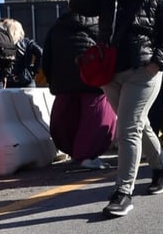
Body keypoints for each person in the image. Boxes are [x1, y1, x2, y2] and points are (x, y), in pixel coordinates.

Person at [69, 0, 163, 217]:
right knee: (139, 125)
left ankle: (123, 192)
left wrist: (157, 64)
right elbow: (78, 5)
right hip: (110, 71)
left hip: (144, 70)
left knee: (127, 128)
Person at [42, 10, 117, 170]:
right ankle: (86, 155)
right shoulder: (101, 26)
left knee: (66, 118)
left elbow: (46, 57)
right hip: (92, 79)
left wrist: (51, 79)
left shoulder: (57, 28)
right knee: (96, 119)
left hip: (63, 82)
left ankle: (75, 151)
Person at [0, 18, 43, 88]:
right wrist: (33, 71)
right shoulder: (27, 42)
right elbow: (40, 52)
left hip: (8, 81)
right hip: (26, 79)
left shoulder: (2, 43)